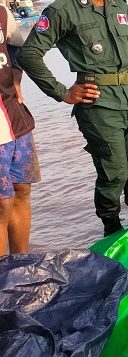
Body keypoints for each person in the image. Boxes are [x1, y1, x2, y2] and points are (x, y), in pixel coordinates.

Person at [18, 0, 128, 237]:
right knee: (114, 174)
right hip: (98, 105)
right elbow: (29, 55)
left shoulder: (119, 5)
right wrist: (62, 92)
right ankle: (111, 231)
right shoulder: (62, 10)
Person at [0, 3, 38, 255]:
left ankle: (22, 267)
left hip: (14, 117)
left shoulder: (2, 12)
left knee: (22, 190)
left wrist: (16, 75)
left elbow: (18, 44)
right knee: (1, 204)